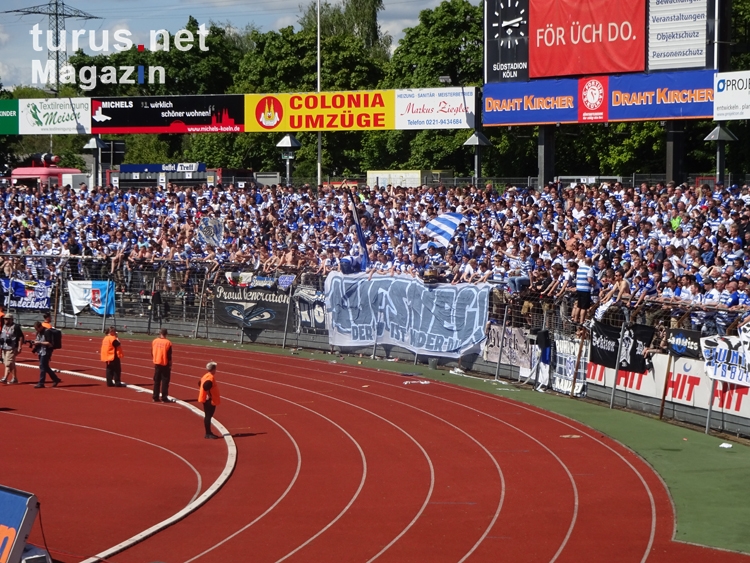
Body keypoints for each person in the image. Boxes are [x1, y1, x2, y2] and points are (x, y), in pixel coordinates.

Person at [33, 321, 61, 388]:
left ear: (40, 327)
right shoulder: (38, 332)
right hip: (40, 351)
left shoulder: (47, 332)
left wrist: (39, 342)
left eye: (37, 329)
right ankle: (56, 379)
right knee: (45, 367)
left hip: (46, 351)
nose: (36, 330)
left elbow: (49, 343)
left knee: (42, 366)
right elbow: (38, 340)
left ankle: (41, 383)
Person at [198, 362, 220, 440]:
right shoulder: (210, 377)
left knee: (208, 416)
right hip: (209, 400)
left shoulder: (205, 376)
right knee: (208, 416)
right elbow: (205, 386)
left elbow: (199, 383)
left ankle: (208, 432)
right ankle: (208, 433)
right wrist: (208, 395)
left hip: (205, 399)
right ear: (213, 369)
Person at [0, 315, 24, 384]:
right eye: (5, 319)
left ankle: (5, 378)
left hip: (12, 347)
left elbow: (20, 337)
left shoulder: (15, 327)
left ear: (11, 319)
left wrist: (19, 346)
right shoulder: (4, 326)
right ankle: (15, 378)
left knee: (8, 363)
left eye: (7, 319)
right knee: (10, 364)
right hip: (4, 347)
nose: (6, 320)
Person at [151, 328, 173, 403]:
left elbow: (152, 352)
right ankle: (164, 398)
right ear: (166, 334)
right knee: (165, 381)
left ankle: (155, 397)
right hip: (164, 363)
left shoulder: (155, 341)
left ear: (160, 333)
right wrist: (170, 364)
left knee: (156, 381)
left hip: (157, 363)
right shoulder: (168, 343)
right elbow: (169, 355)